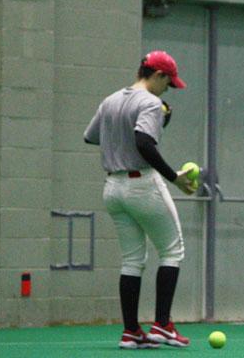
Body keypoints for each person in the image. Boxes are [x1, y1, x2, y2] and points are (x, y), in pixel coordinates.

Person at [84, 50, 197, 349]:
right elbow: (144, 142)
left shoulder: (109, 101)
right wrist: (174, 177)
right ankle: (162, 325)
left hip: (113, 188)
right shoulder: (151, 102)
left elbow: (91, 136)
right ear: (157, 75)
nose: (168, 89)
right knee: (173, 250)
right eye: (168, 83)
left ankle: (131, 331)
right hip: (141, 183)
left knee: (132, 259)